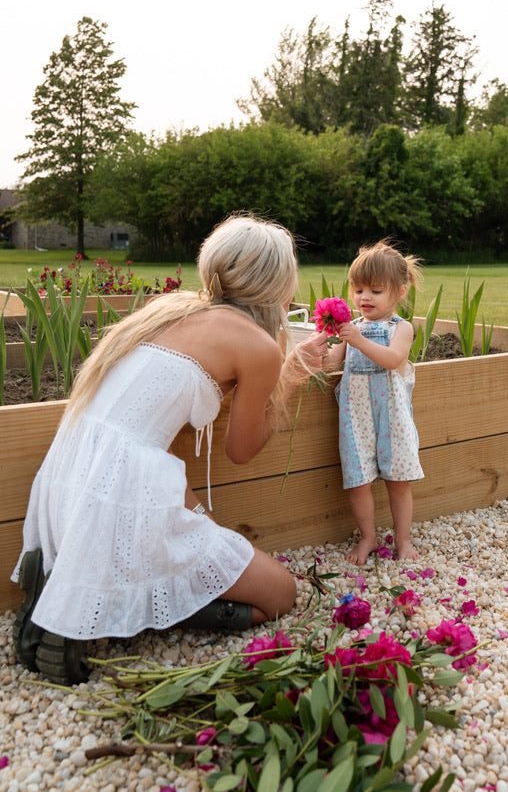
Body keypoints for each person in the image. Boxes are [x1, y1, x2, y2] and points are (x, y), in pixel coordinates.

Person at [12, 213, 329, 685]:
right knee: (281, 594)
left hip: (73, 474)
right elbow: (242, 450)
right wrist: (290, 377)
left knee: (194, 522)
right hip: (125, 489)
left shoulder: (175, 310)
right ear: (280, 282)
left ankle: (56, 593)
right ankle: (83, 614)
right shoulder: (258, 346)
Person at [324, 240, 424, 566]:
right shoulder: (352, 330)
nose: (364, 297)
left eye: (376, 291)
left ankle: (403, 539)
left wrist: (357, 339)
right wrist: (321, 341)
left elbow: (394, 360)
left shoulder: (401, 328)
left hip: (391, 418)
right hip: (355, 418)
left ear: (400, 292)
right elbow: (330, 364)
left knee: (398, 482)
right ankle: (368, 536)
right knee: (358, 481)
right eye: (359, 290)